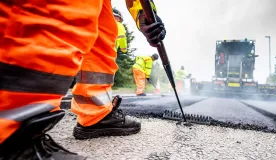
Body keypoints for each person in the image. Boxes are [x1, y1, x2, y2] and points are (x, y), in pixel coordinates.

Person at [0, 0, 166, 159]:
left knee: (102, 34)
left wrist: (142, 13)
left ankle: (96, 114)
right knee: (62, 10)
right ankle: (10, 129)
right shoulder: (146, 59)